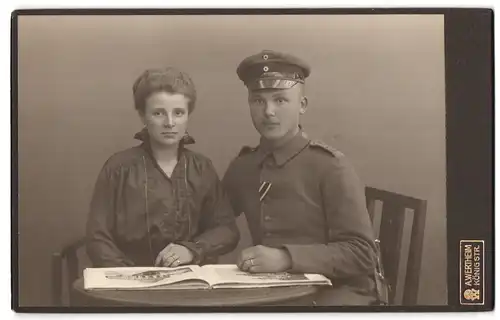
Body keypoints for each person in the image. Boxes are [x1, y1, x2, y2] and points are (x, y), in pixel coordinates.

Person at [222, 50, 383, 306]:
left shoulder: (330, 166)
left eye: (280, 100)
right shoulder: (244, 166)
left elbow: (363, 254)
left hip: (338, 293)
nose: (269, 112)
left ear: (302, 105)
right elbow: (215, 219)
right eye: (258, 101)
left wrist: (286, 258)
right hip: (275, 292)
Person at [86, 67, 240, 269]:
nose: (169, 123)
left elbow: (226, 230)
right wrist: (128, 276)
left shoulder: (201, 168)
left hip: (190, 278)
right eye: (158, 113)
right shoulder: (118, 168)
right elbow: (98, 238)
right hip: (130, 283)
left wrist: (191, 249)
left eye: (178, 113)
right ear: (142, 116)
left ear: (188, 116)